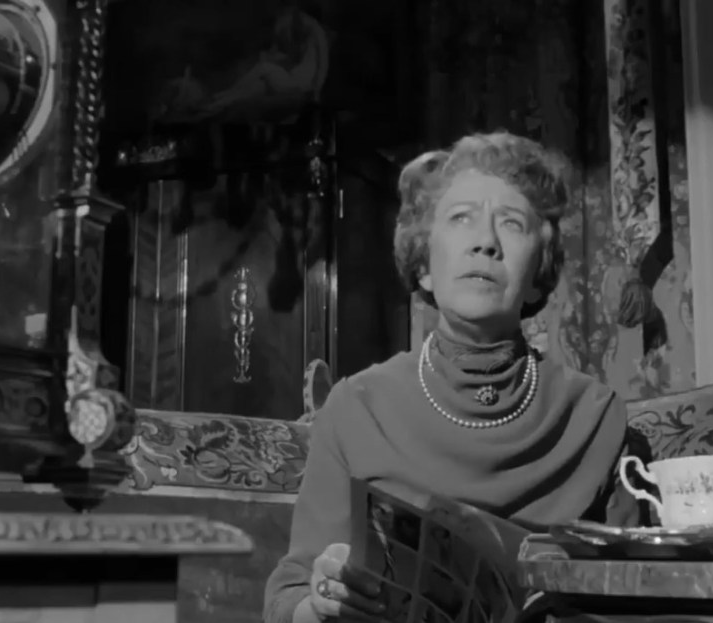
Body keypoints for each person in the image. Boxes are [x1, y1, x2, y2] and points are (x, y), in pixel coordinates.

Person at [264, 132, 641, 623]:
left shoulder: (596, 416)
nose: (486, 242)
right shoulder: (358, 406)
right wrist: (322, 602)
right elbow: (288, 597)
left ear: (538, 275)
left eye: (512, 223)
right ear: (423, 266)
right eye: (461, 218)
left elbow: (639, 600)